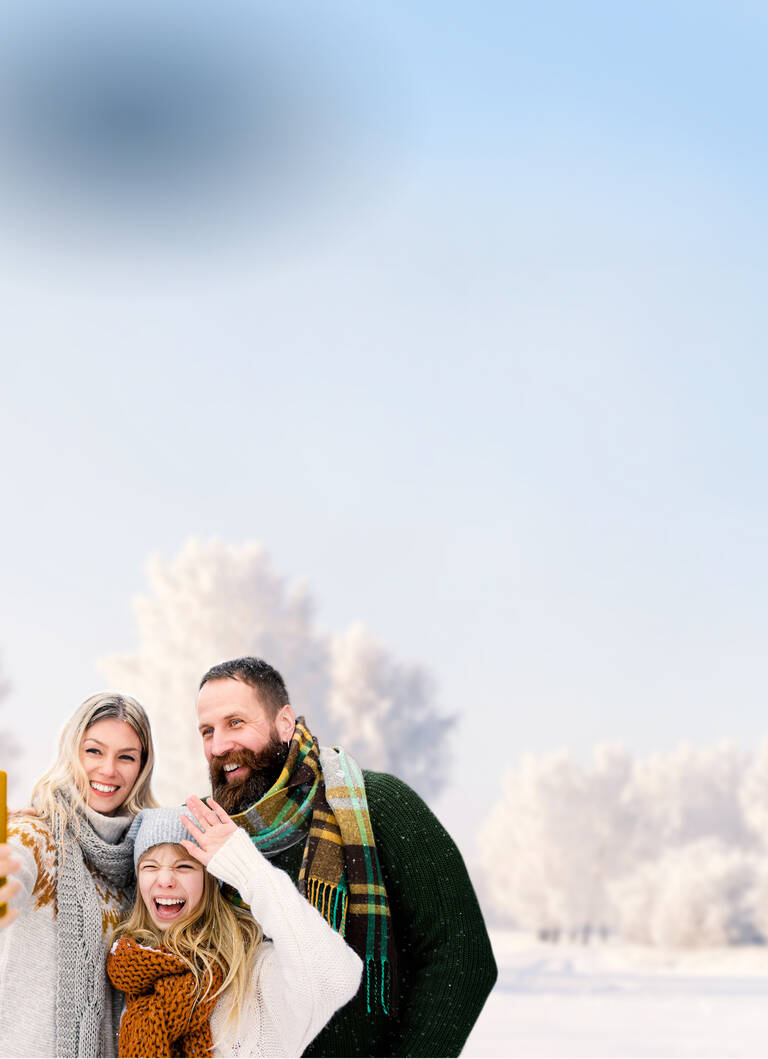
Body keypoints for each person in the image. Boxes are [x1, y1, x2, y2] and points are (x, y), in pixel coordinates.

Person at [196, 656, 498, 1058]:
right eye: (206, 731)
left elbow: (461, 956)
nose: (219, 746)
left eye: (236, 723)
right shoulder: (204, 833)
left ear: (284, 723)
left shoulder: (376, 805)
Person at [107, 799, 363, 1058]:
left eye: (183, 866)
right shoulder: (128, 974)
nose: (165, 880)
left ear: (210, 880)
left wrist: (250, 871)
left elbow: (335, 979)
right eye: (150, 866)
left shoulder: (252, 974)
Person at [0, 692, 157, 1058]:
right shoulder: (35, 836)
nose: (108, 770)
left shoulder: (143, 863)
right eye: (94, 751)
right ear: (72, 751)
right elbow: (14, 872)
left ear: (142, 767)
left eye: (126, 757)